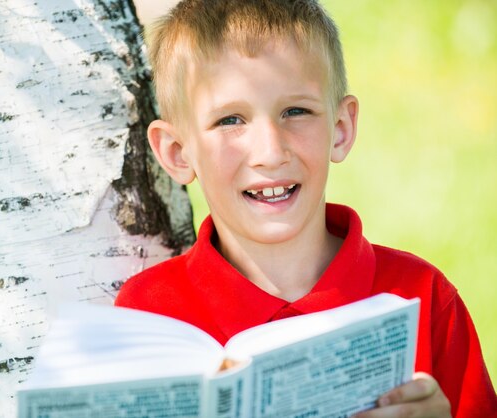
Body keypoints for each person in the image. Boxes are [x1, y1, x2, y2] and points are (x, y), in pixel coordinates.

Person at [115, 0, 497, 416]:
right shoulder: (148, 315)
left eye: (295, 112)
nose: (270, 152)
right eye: (230, 120)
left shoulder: (422, 297)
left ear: (341, 128)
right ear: (177, 152)